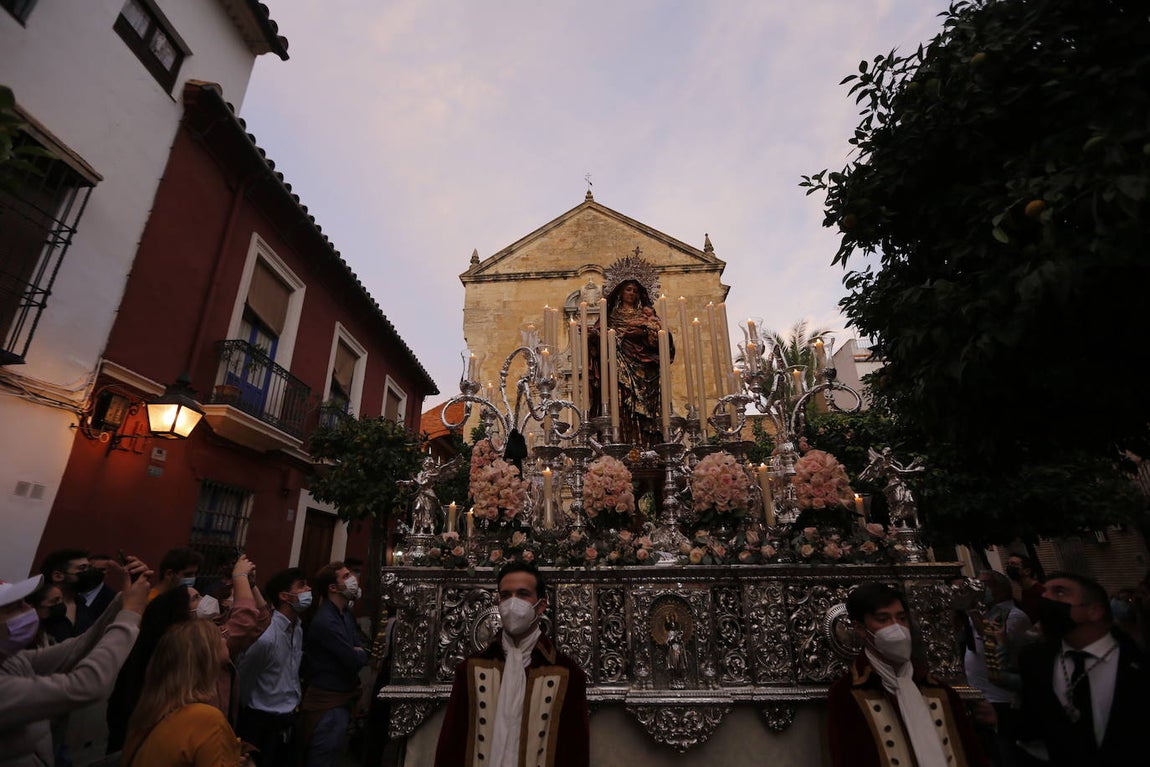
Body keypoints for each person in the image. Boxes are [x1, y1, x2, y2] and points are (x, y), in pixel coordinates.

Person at [106, 554, 270, 753]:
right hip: (192, 739)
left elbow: (260, 622)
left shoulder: (211, 636)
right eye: (196, 598)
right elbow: (244, 622)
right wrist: (240, 576)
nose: (204, 599)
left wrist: (251, 585)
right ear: (181, 614)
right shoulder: (191, 646)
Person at [434, 561, 589, 767]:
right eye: (506, 595)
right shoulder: (471, 668)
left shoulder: (566, 672)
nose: (512, 603)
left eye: (523, 594)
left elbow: (574, 750)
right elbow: (452, 743)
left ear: (541, 605)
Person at [0, 556, 151, 766]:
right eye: (13, 608)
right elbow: (86, 685)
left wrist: (124, 601)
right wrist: (130, 614)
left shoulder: (11, 661)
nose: (28, 610)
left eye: (24, 602)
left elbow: (77, 648)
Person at [827, 581, 987, 767]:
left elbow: (971, 754)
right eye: (883, 619)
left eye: (902, 618)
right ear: (861, 628)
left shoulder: (939, 690)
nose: (897, 627)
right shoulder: (847, 694)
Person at [1017, 572, 1147, 766]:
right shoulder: (1035, 660)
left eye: (1059, 592)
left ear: (1094, 611)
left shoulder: (1137, 661)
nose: (1046, 598)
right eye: (1044, 592)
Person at [120, 619, 245, 766]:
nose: (225, 639)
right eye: (219, 636)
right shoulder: (206, 719)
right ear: (205, 655)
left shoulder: (149, 715)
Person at [236, 567, 310, 766]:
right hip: (262, 724)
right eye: (302, 586)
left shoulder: (298, 629)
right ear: (285, 596)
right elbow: (243, 677)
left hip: (289, 720)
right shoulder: (267, 637)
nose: (308, 590)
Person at [589, 271, 673, 446]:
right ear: (620, 292)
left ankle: (646, 445)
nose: (632, 293)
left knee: (645, 410)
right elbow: (599, 340)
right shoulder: (610, 316)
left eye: (635, 290)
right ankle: (620, 442)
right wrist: (595, 336)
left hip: (645, 368)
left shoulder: (647, 315)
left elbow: (663, 340)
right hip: (617, 361)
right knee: (619, 400)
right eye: (628, 289)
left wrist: (644, 332)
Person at [962, 570, 1033, 767]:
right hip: (980, 693)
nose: (978, 590)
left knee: (1008, 752)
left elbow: (992, 639)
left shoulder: (1014, 615)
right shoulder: (984, 612)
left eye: (984, 585)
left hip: (1004, 697)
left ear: (1000, 588)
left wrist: (972, 610)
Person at [300, 562, 368, 767]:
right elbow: (352, 659)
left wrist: (358, 651)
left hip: (341, 701)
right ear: (333, 587)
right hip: (328, 704)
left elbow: (361, 646)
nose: (353, 579)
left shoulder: (344, 614)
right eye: (346, 576)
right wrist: (358, 653)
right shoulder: (326, 621)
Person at [38, 549, 103, 643]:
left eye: (89, 568)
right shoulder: (37, 605)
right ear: (58, 576)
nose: (89, 572)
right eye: (82, 568)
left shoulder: (84, 607)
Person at [1004, 553, 1044, 624]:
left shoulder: (1040, 591)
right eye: (1008, 564)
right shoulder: (1022, 590)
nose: (1009, 567)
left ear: (1027, 571)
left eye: (1013, 564)